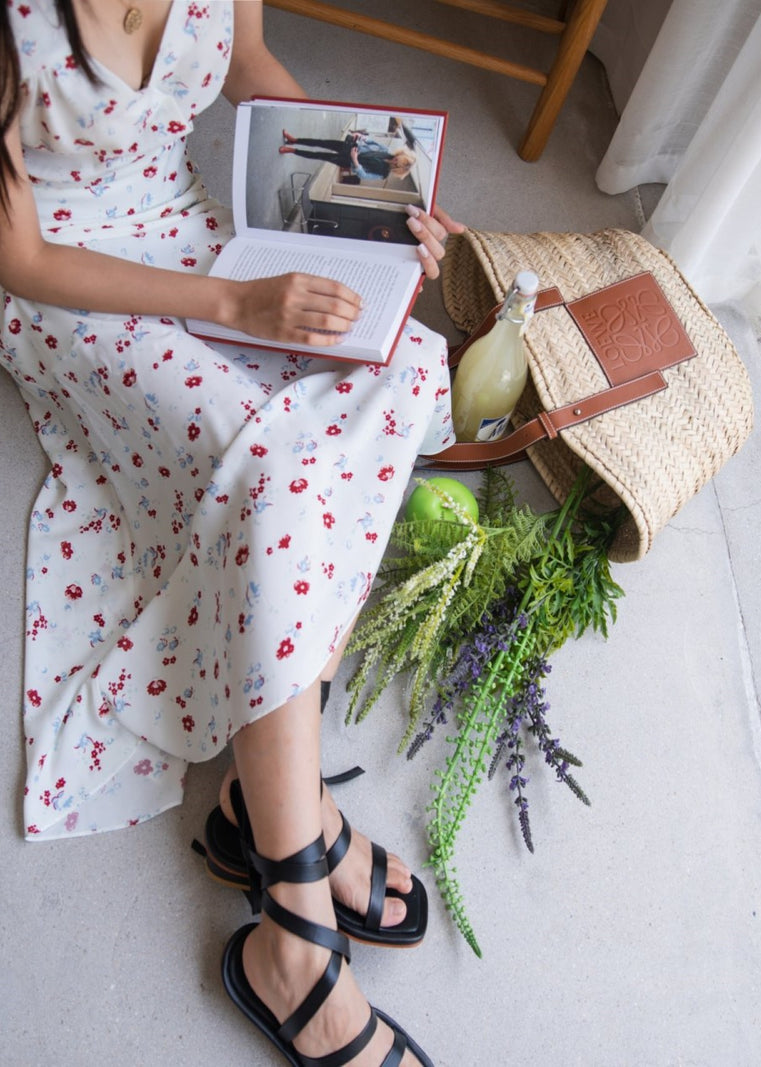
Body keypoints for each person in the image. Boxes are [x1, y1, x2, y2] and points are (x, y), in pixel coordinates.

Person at [0, 2, 464, 1064]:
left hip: (195, 225)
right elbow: (18, 259)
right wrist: (231, 302)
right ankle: (292, 931)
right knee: (277, 472)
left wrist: (371, 204)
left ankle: (257, 803)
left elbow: (246, 57)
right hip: (73, 289)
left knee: (406, 362)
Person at [279, 128, 416, 180]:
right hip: (349, 146)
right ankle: (294, 140)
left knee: (319, 155)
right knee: (321, 142)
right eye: (398, 158)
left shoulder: (382, 174)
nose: (395, 160)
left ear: (397, 169)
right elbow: (370, 142)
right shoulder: (385, 151)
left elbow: (364, 175)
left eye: (396, 163)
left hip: (348, 161)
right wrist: (360, 136)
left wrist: (355, 161)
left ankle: (292, 150)